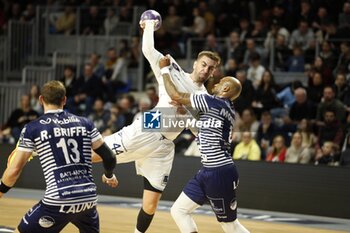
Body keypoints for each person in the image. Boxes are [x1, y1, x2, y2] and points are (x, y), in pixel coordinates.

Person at [92, 19, 221, 233]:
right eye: (204, 64)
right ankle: (47, 149)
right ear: (196, 63)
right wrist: (149, 25)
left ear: (214, 72)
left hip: (165, 146)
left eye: (211, 68)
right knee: (95, 155)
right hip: (151, 124)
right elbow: (148, 49)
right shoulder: (173, 68)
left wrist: (187, 115)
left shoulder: (206, 99)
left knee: (150, 205)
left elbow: (200, 131)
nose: (206, 70)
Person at [0, 80, 118, 233]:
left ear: (41, 99)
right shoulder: (85, 123)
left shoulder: (33, 128)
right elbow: (109, 157)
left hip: (58, 200)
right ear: (64, 99)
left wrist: (1, 191)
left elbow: (14, 170)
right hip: (88, 198)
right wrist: (109, 175)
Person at [158, 56, 249, 233]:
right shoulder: (226, 108)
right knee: (179, 210)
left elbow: (175, 94)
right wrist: (185, 112)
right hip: (207, 170)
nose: (215, 83)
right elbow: (203, 129)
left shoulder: (211, 101)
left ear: (226, 88)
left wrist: (164, 70)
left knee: (230, 226)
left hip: (219, 171)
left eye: (220, 82)